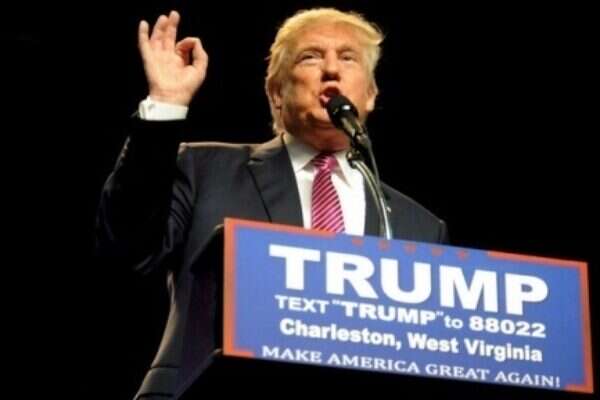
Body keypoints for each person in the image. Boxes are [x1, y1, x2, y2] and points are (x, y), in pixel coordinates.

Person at [96, 7, 448, 399]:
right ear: (277, 93)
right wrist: (166, 103)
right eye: (311, 57)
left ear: (370, 94)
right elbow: (127, 247)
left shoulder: (421, 227)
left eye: (348, 58)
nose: (332, 69)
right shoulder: (205, 170)